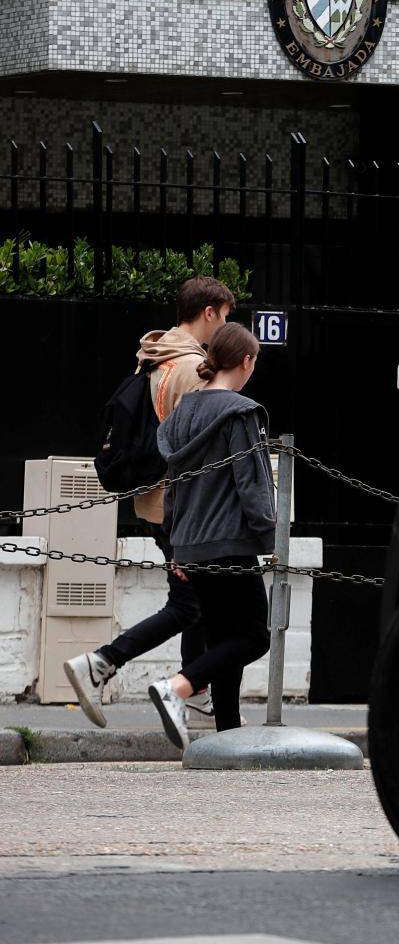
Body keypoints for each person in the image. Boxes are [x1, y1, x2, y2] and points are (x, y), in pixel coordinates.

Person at [64, 276, 236, 726]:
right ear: (210, 313)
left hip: (158, 503)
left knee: (197, 604)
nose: (225, 328)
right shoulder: (191, 369)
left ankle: (193, 697)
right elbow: (197, 451)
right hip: (181, 509)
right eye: (226, 317)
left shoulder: (156, 356)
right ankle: (102, 664)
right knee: (191, 606)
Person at [148, 322, 276, 749]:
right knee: (254, 636)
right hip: (231, 542)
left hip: (189, 541)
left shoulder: (182, 412)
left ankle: (226, 736)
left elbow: (174, 484)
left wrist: (174, 544)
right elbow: (252, 484)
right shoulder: (242, 412)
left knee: (224, 638)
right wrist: (269, 537)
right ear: (246, 361)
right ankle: (179, 687)